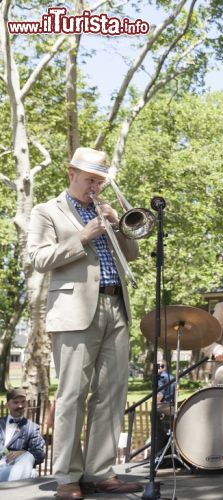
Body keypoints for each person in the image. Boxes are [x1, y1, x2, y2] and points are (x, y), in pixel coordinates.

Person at [27, 147, 143, 500]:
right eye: (91, 178)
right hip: (75, 311)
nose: (96, 185)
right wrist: (82, 237)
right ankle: (67, 478)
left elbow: (132, 254)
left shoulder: (102, 210)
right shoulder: (46, 211)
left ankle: (101, 472)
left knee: (111, 394)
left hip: (116, 306)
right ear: (71, 173)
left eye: (100, 180)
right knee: (73, 395)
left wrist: (118, 226)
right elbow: (38, 258)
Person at [0, 388, 45, 482]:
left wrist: (23, 452)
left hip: (17, 469)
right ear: (7, 404)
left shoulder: (32, 428)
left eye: (23, 402)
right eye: (16, 402)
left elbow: (39, 454)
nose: (20, 406)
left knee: (28, 457)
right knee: (31, 473)